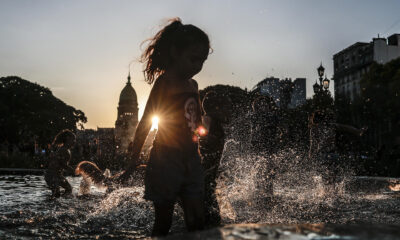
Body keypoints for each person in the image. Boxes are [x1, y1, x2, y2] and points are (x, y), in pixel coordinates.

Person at [117, 18, 211, 237]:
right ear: (176, 53)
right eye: (193, 59)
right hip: (165, 160)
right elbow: (147, 120)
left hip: (191, 159)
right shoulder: (164, 83)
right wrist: (134, 159)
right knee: (164, 221)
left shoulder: (193, 85)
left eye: (202, 61)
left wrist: (204, 129)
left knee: (197, 219)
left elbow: (198, 119)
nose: (198, 66)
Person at [199, 90, 233, 228]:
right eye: (227, 108)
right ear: (215, 108)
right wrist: (206, 139)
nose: (230, 112)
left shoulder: (215, 122)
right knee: (211, 216)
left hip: (208, 175)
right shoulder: (208, 119)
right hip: (204, 175)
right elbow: (199, 136)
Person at [44, 129, 76, 198]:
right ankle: (51, 204)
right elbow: (63, 164)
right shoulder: (64, 150)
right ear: (67, 139)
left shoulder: (65, 150)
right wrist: (72, 170)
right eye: (73, 139)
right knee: (57, 193)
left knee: (68, 189)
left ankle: (62, 202)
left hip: (57, 175)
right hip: (51, 175)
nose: (74, 142)